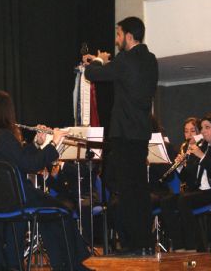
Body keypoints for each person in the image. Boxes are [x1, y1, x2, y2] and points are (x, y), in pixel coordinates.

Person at [0, 90, 90, 270]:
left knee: (53, 211)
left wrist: (36, 143)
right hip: (18, 198)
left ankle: (68, 264)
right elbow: (31, 165)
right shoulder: (5, 135)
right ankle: (73, 265)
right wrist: (53, 144)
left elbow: (17, 159)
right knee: (62, 210)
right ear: (7, 111)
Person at [83, 16, 158, 254]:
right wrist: (105, 63)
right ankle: (145, 241)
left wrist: (97, 60)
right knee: (140, 190)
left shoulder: (125, 59)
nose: (116, 40)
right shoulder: (150, 60)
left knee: (126, 191)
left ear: (127, 35)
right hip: (141, 134)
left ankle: (132, 244)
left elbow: (93, 75)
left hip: (125, 135)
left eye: (118, 34)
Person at [160, 113, 211, 251]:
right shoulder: (200, 147)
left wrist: (202, 157)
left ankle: (195, 246)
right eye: (202, 128)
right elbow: (189, 179)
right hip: (199, 191)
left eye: (207, 127)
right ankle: (179, 245)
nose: (202, 131)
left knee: (184, 200)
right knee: (166, 201)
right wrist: (179, 167)